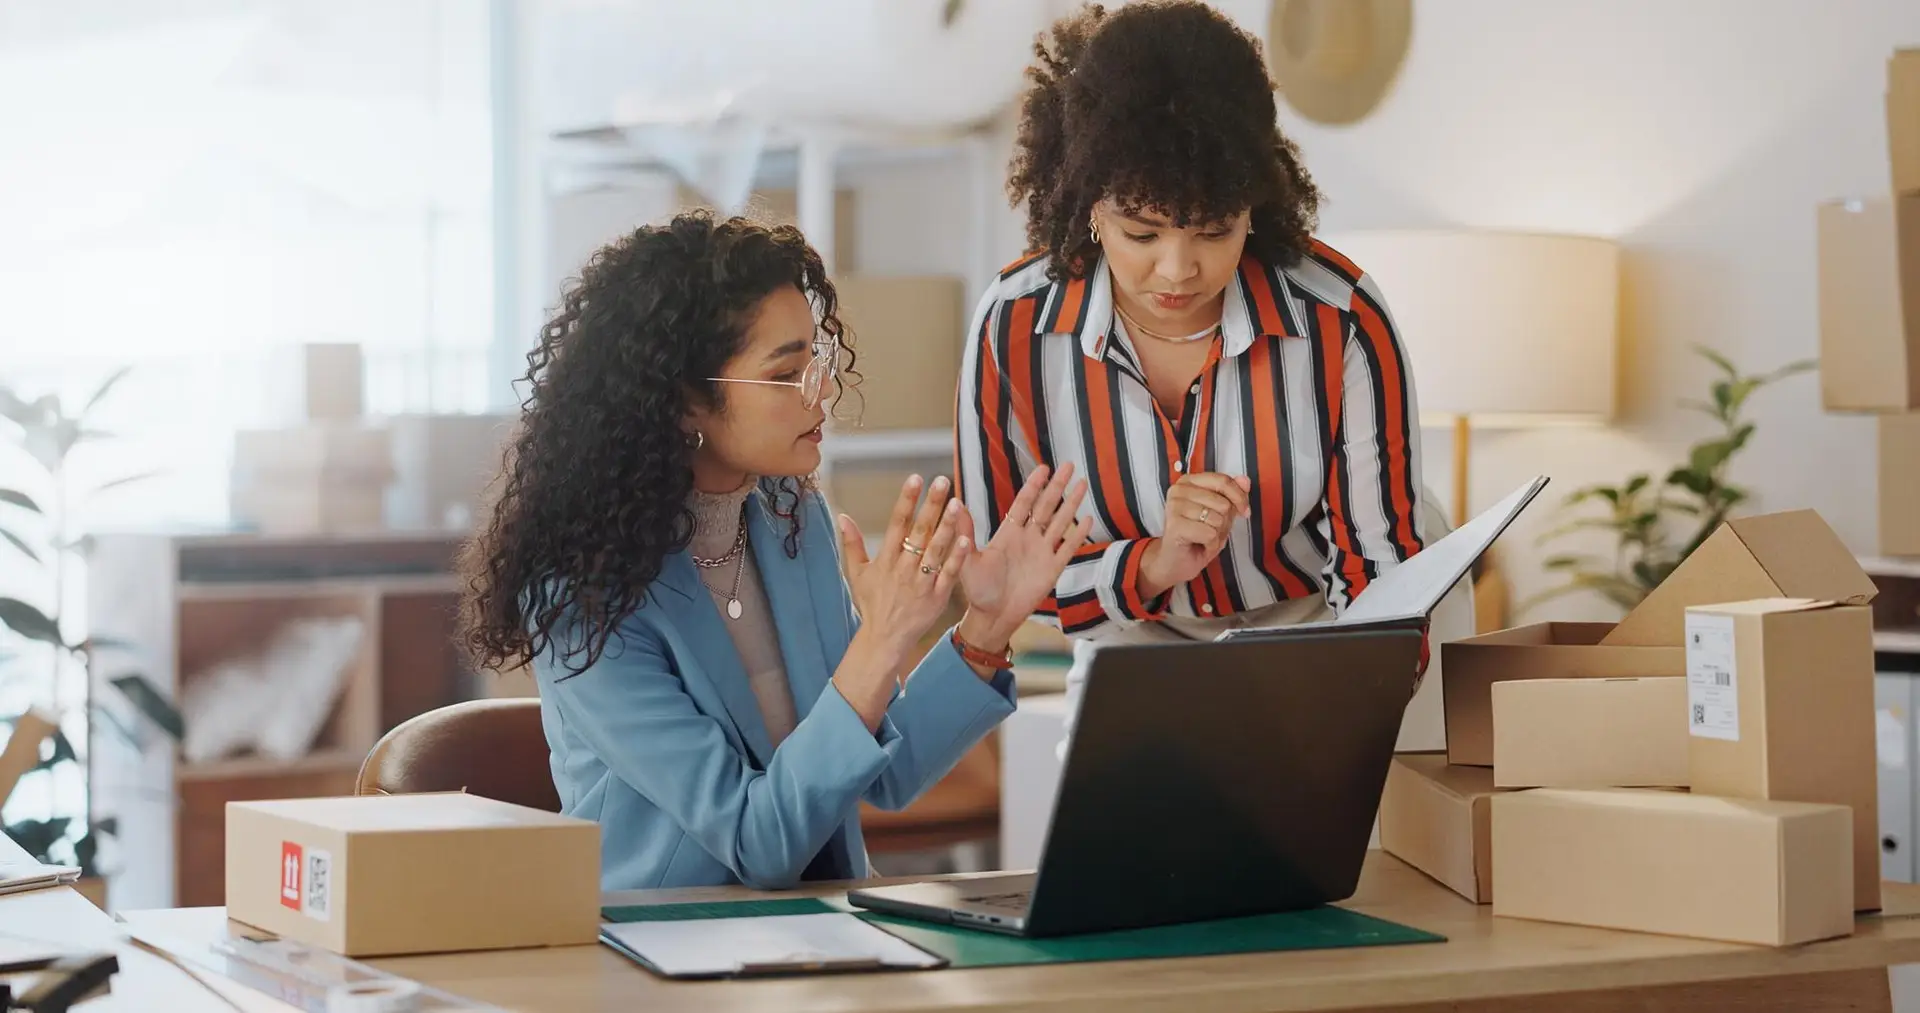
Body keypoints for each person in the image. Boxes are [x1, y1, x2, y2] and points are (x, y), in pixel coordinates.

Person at [461, 211, 1091, 891]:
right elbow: (754, 841)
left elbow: (886, 766)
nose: (821, 392)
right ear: (684, 403)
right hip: (661, 947)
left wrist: (986, 627)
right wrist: (880, 640)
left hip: (816, 932)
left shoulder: (790, 518)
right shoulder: (580, 596)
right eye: (786, 373)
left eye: (815, 363)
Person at [956, 1, 1428, 719]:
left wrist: (1356, 691)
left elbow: (1381, 567)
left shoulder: (1339, 318)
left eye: (1213, 230)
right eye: (1140, 233)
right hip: (1131, 638)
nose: (1177, 269)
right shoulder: (1013, 330)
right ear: (1089, 206)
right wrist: (1147, 564)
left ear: (1254, 206)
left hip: (1319, 631)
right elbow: (1004, 580)